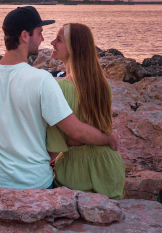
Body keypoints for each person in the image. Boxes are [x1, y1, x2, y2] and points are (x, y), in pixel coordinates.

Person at [0, 6, 118, 192]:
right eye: (39, 33)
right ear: (24, 36)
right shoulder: (42, 80)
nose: (43, 39)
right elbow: (75, 131)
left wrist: (1, 166)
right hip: (33, 184)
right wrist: (108, 140)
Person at [46, 23, 125, 199]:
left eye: (58, 40)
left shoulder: (62, 88)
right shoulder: (102, 84)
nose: (52, 42)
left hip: (77, 172)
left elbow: (59, 143)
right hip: (109, 167)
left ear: (73, 48)